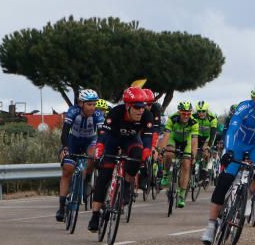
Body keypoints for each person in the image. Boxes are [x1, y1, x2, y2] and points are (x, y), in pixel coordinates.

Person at [200, 81, 255, 245]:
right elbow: (232, 130)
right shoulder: (245, 108)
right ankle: (211, 225)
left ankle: (248, 196)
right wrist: (228, 151)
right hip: (237, 144)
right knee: (223, 184)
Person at [87, 87, 154, 231]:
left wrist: (146, 152)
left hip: (131, 141)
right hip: (112, 140)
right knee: (104, 176)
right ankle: (94, 215)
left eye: (142, 107)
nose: (141, 110)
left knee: (137, 156)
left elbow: (147, 138)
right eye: (137, 107)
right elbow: (104, 134)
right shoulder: (116, 112)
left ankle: (127, 187)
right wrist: (99, 149)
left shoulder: (147, 116)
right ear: (128, 106)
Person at [56, 89, 103, 222]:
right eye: (89, 104)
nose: (92, 108)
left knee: (94, 155)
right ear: (81, 103)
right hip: (73, 141)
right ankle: (61, 206)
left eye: (94, 104)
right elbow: (65, 132)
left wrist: (100, 151)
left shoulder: (98, 115)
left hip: (90, 141)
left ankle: (87, 178)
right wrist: (65, 148)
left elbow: (101, 135)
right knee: (67, 169)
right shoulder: (73, 111)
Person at [158, 101, 200, 209]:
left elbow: (194, 141)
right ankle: (166, 173)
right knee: (168, 154)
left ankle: (181, 195)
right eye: (183, 113)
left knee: (186, 164)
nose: (186, 116)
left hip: (187, 142)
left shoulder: (194, 123)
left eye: (188, 113)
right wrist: (162, 150)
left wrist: (193, 156)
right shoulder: (172, 119)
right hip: (173, 139)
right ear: (179, 112)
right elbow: (166, 136)